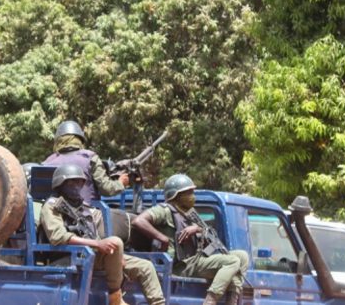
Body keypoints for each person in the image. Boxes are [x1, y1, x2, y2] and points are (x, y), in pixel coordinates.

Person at [39, 164, 165, 305]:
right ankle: (115, 297)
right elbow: (58, 237)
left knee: (146, 267)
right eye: (71, 182)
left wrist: (116, 257)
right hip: (68, 256)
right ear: (60, 183)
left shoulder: (82, 207)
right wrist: (98, 244)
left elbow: (94, 236)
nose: (76, 185)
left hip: (91, 254)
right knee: (116, 242)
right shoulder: (52, 205)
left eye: (79, 182)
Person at [132, 174, 248, 305]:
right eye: (188, 192)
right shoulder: (164, 210)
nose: (192, 196)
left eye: (192, 192)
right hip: (182, 265)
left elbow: (210, 234)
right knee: (232, 261)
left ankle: (231, 301)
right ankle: (210, 301)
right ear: (176, 195)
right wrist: (162, 238)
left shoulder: (190, 213)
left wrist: (197, 229)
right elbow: (138, 221)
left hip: (196, 259)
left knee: (242, 256)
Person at [43, 120, 129, 202]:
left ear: (58, 141)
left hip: (54, 214)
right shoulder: (90, 158)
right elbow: (106, 189)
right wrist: (121, 183)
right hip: (87, 214)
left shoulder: (47, 162)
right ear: (80, 139)